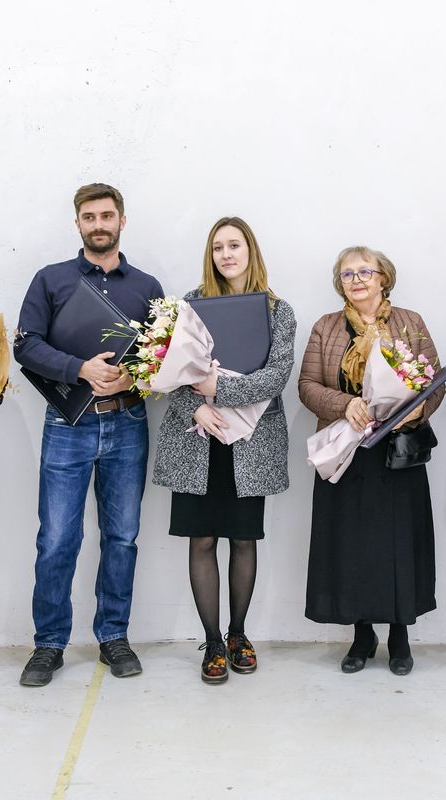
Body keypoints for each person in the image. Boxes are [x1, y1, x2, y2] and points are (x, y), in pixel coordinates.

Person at [14, 183, 164, 686]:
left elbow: (163, 357)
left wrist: (135, 376)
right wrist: (80, 368)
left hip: (128, 422)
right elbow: (26, 347)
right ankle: (48, 644)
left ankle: (113, 637)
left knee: (122, 537)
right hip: (68, 425)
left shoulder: (146, 286)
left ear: (122, 220)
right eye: (88, 216)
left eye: (106, 215)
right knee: (57, 539)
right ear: (77, 223)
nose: (98, 224)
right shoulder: (51, 280)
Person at [152, 217, 296, 684]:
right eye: (218, 247)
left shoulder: (278, 311)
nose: (226, 254)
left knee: (242, 538)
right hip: (198, 439)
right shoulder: (189, 307)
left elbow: (276, 377)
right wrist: (195, 407)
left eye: (234, 245)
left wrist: (219, 389)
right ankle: (212, 641)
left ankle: (238, 634)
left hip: (249, 442)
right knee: (202, 539)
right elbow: (165, 371)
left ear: (250, 251)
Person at [299, 246, 445, 676]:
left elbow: (434, 381)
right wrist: (344, 404)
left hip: (398, 452)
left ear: (384, 278)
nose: (357, 279)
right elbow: (307, 386)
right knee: (351, 546)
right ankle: (362, 636)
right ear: (339, 283)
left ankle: (400, 635)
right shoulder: (326, 327)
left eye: (366, 271)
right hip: (346, 451)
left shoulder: (410, 323)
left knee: (400, 543)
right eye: (347, 274)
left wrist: (418, 408)